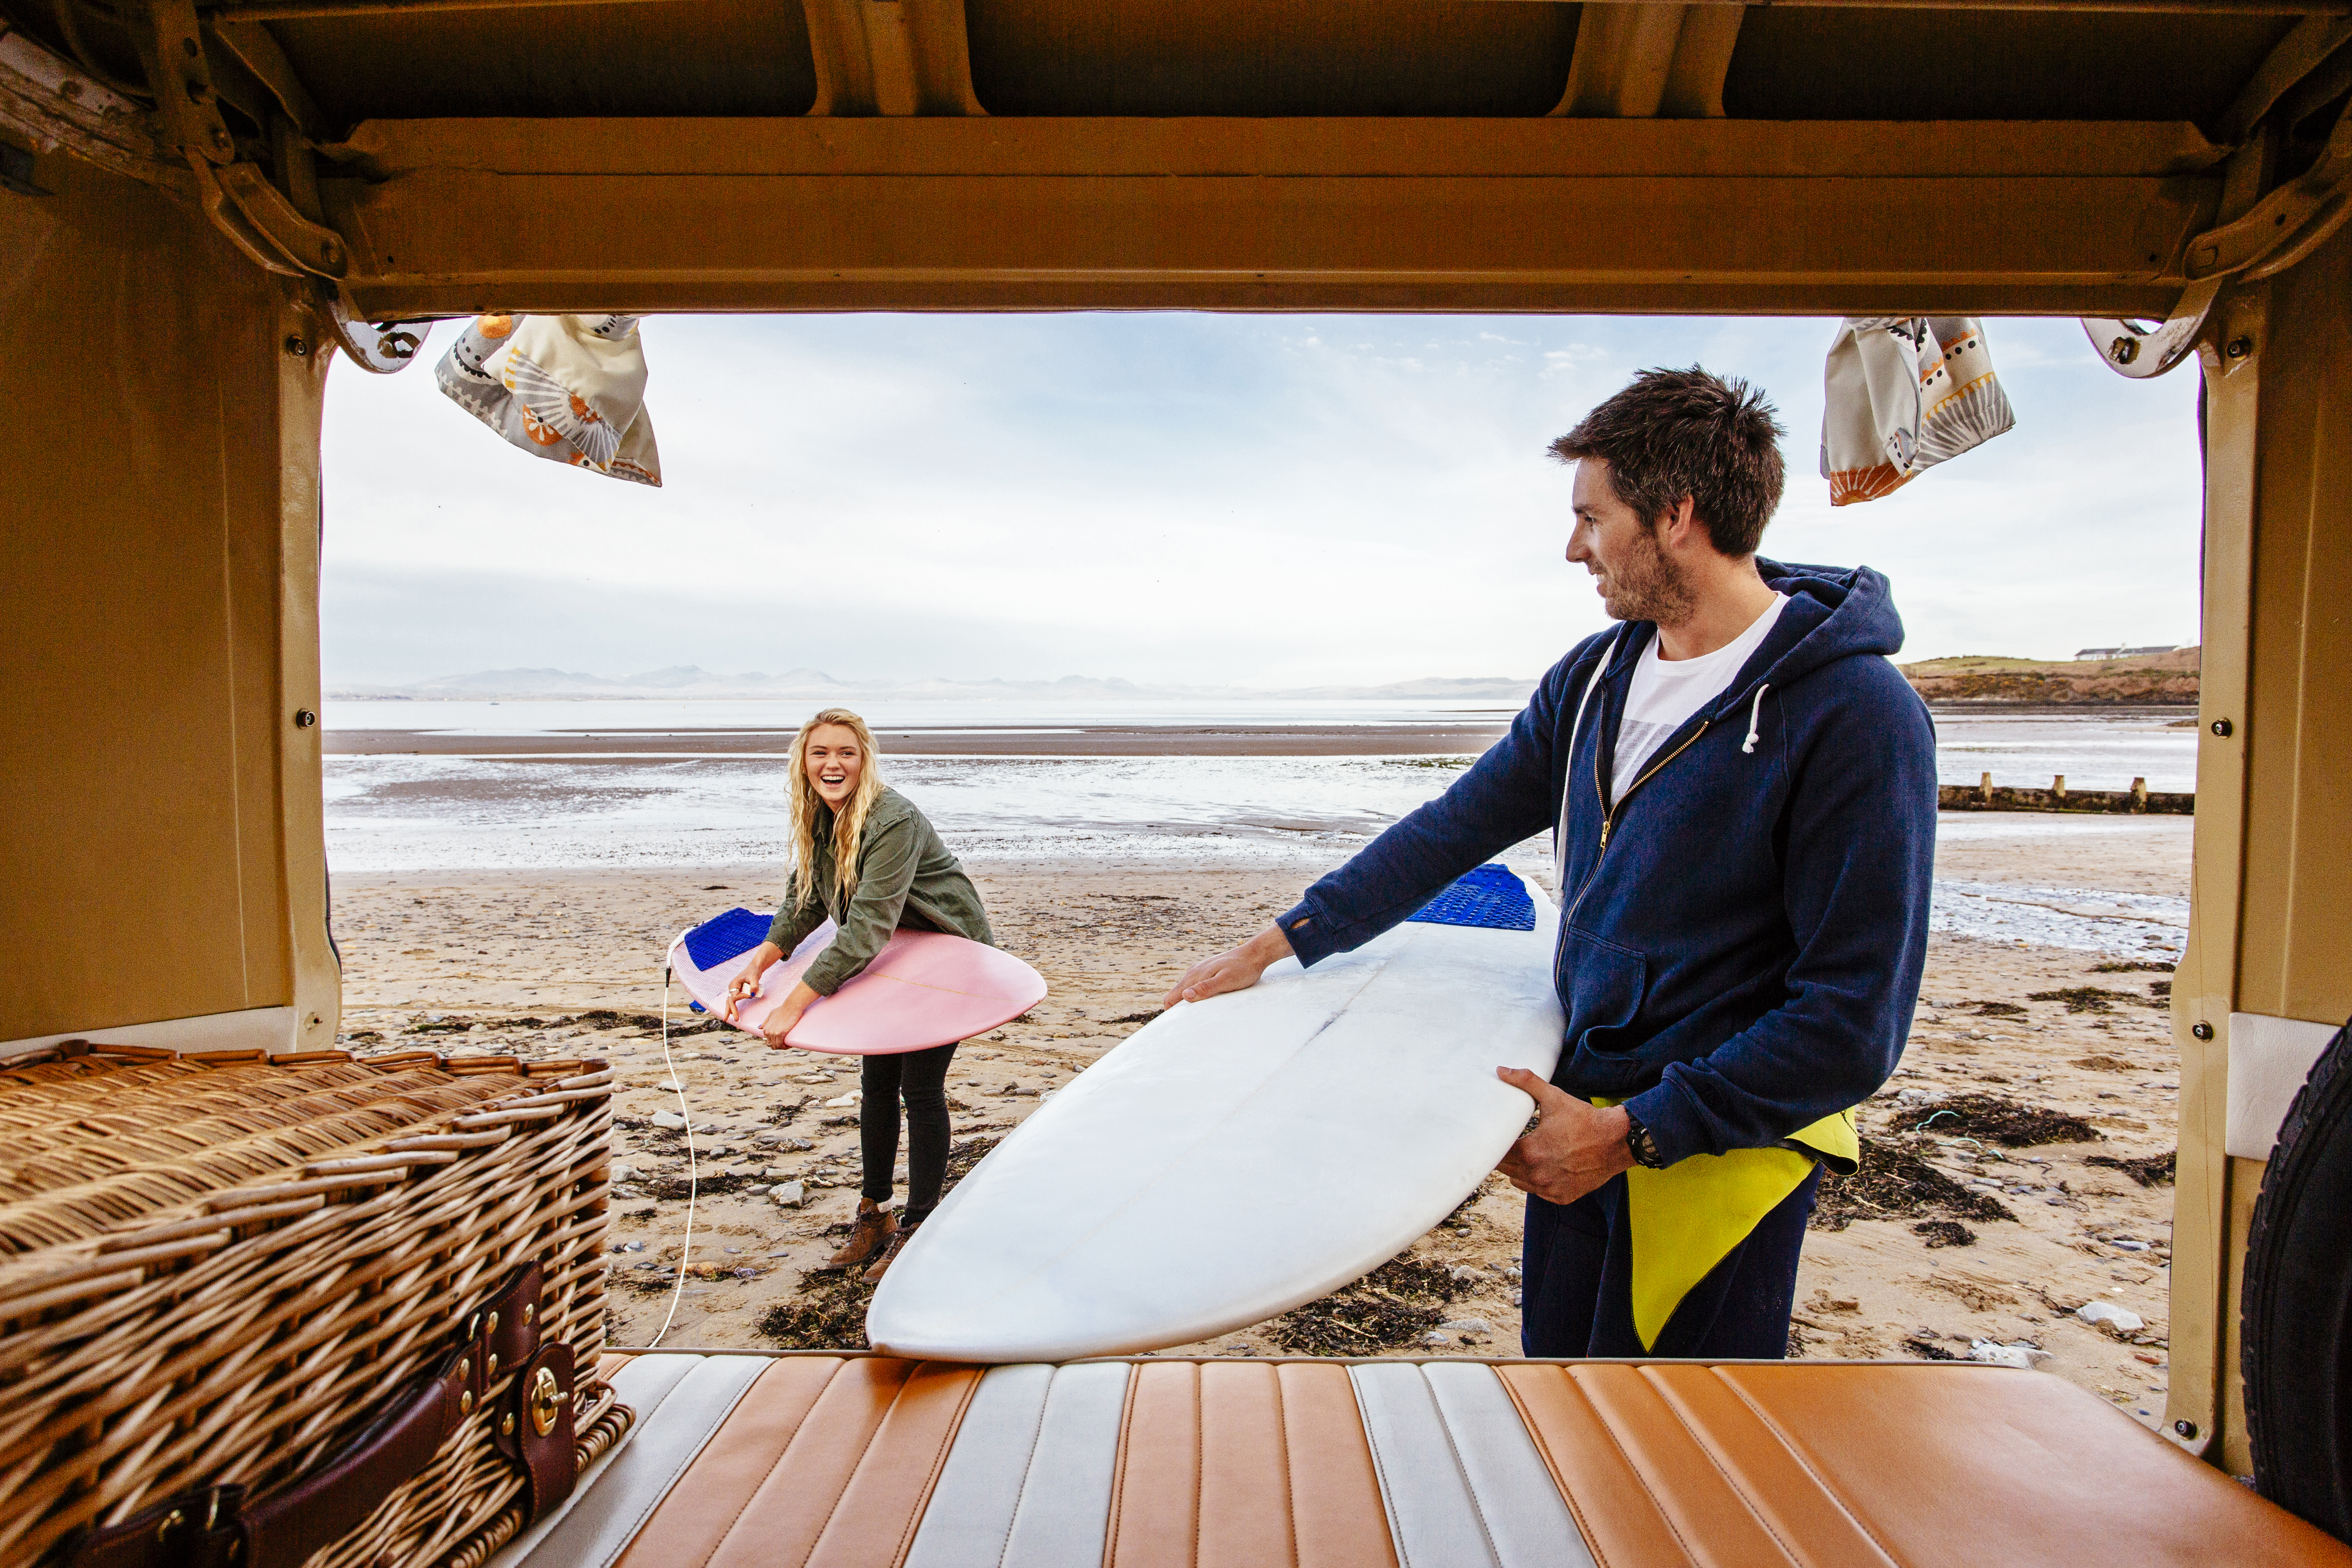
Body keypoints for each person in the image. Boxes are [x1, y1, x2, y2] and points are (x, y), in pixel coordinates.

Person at [1164, 367, 1936, 1359]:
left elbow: (1854, 1020)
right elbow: (1454, 828)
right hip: (1578, 1111)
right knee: (1564, 1405)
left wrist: (1633, 1136)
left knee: (1675, 1451)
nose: (1574, 547)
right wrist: (1285, 940)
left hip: (1720, 1152)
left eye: (1592, 517)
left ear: (1676, 516)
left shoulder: (1856, 714)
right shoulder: (1596, 677)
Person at [721, 707, 997, 1282]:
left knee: (920, 1089)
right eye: (820, 751)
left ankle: (921, 1227)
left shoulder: (892, 818)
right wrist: (758, 966)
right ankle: (876, 1215)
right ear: (804, 761)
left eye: (846, 751)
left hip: (948, 955)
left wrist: (795, 1004)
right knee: (877, 1085)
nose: (833, 763)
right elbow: (804, 906)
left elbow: (865, 925)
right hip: (894, 957)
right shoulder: (819, 819)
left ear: (864, 759)